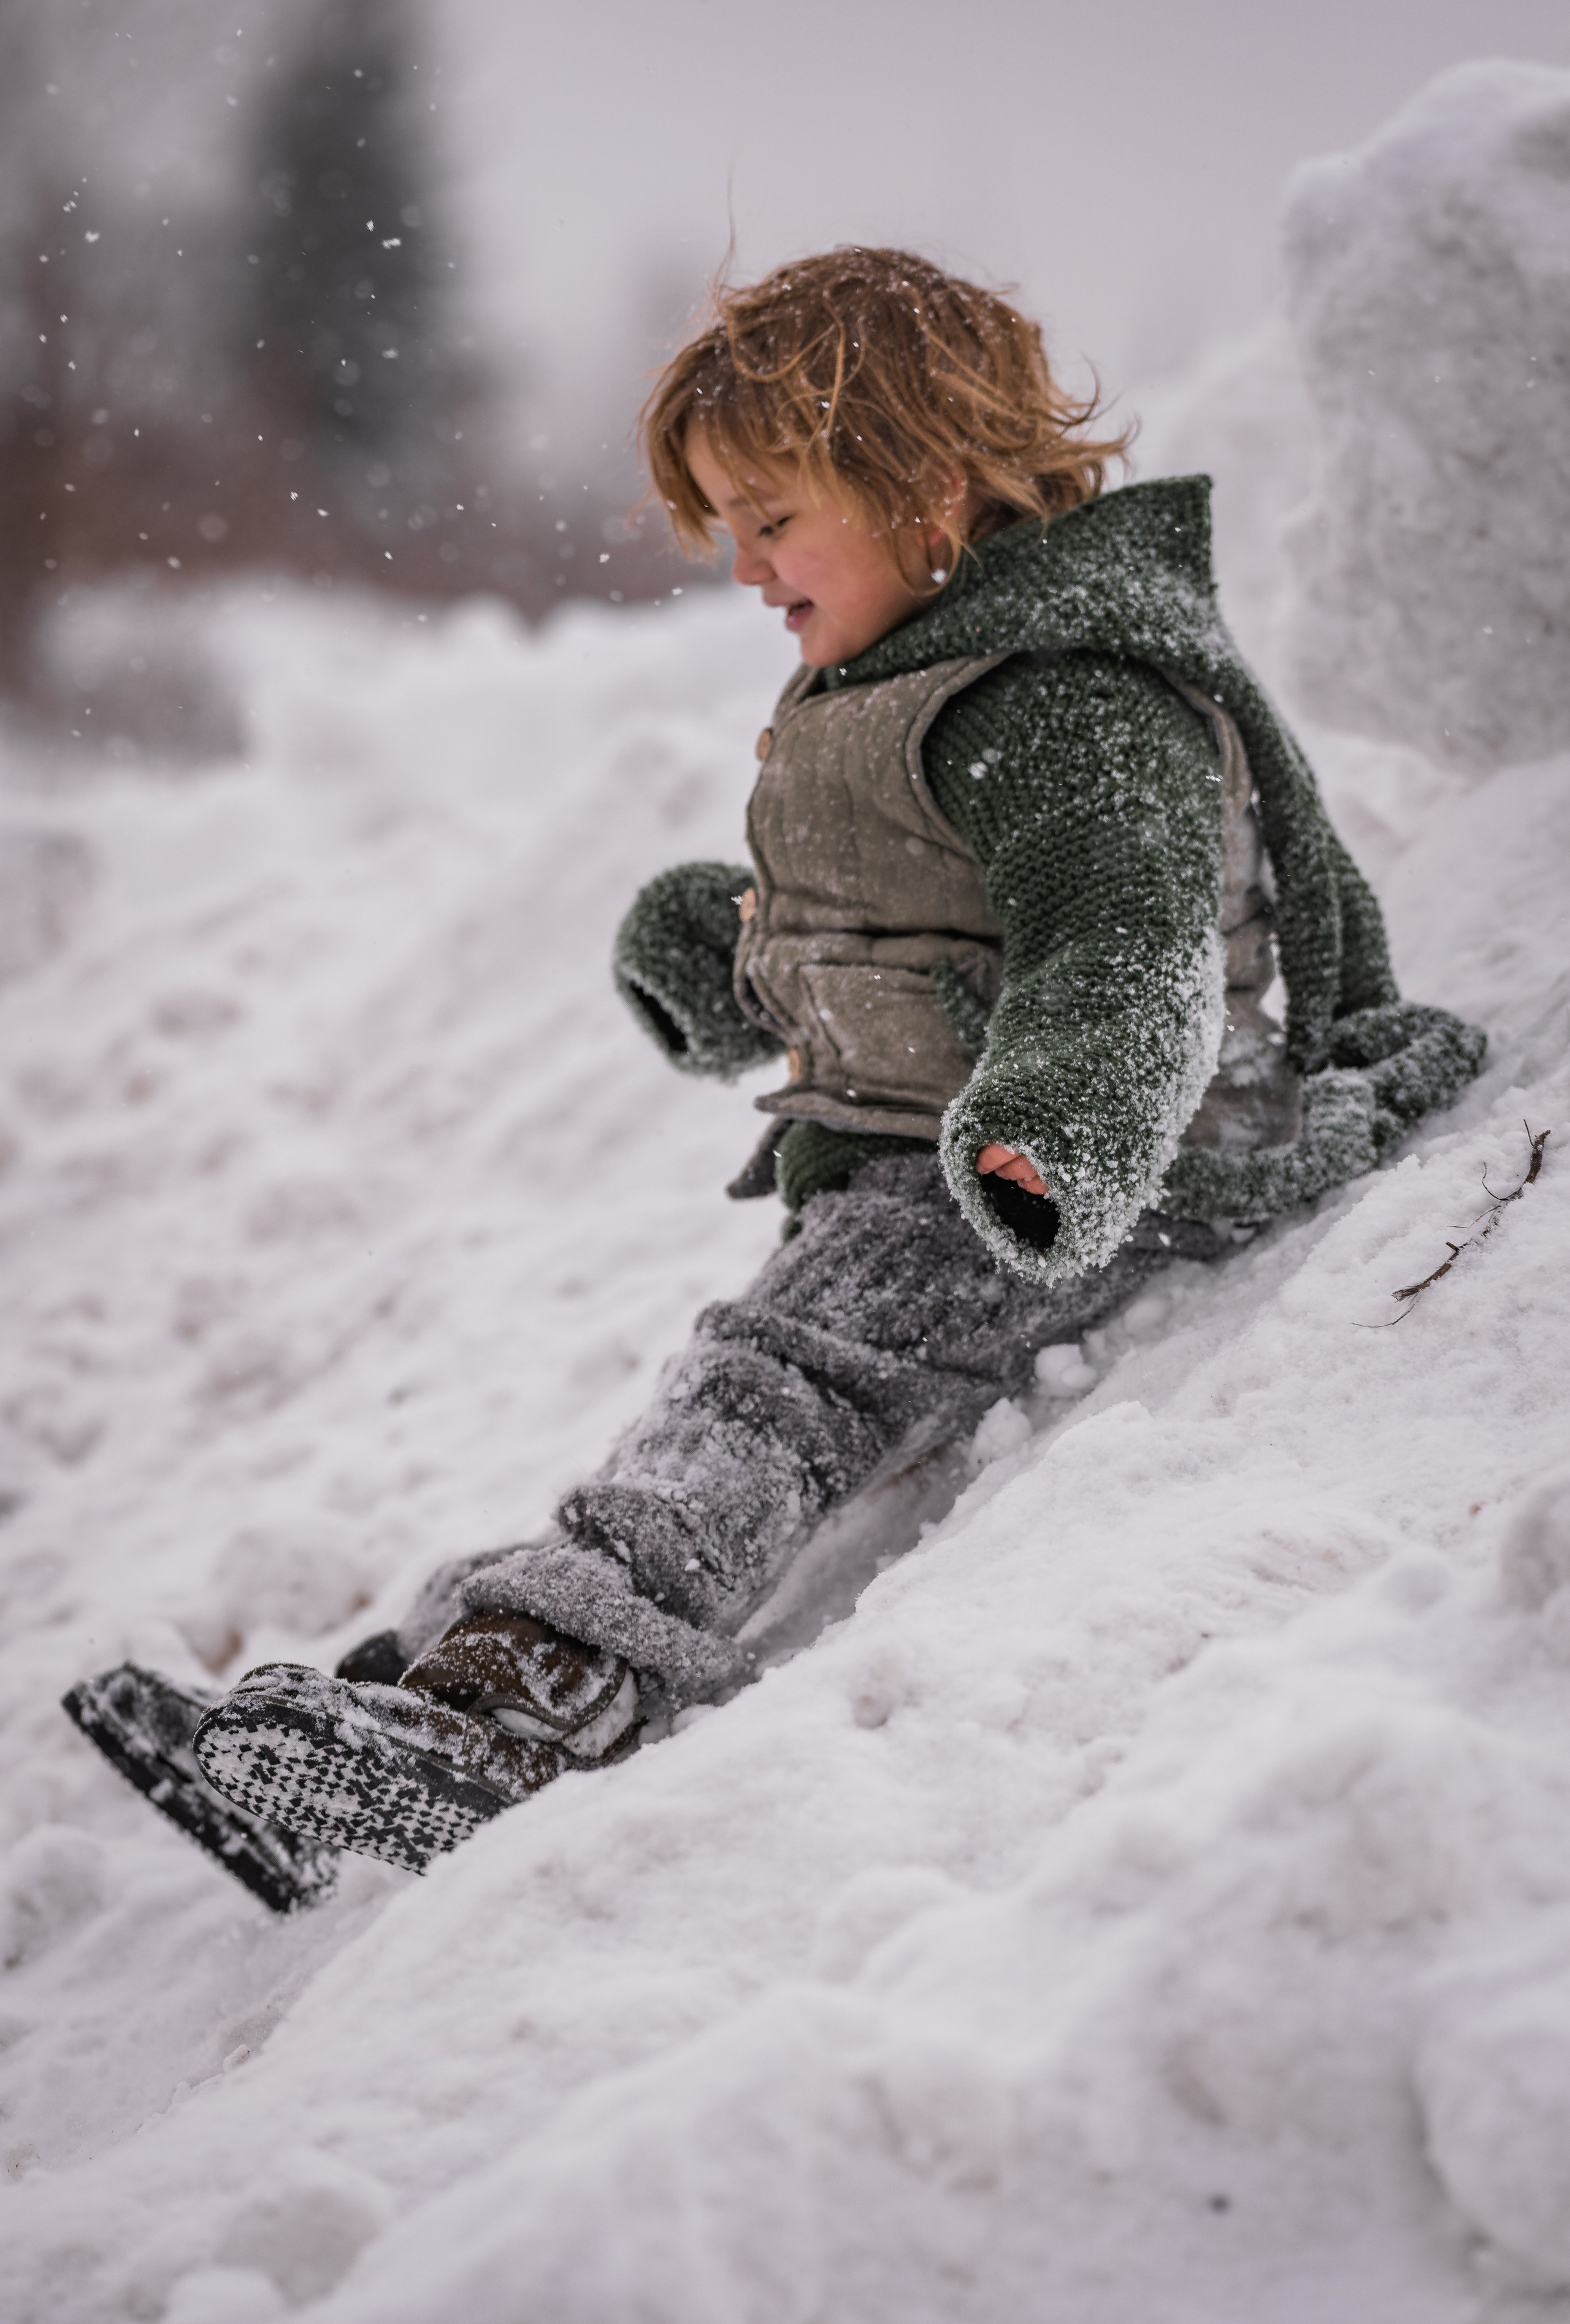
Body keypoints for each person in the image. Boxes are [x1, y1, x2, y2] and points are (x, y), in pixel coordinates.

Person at [64, 248, 1484, 1909]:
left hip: (1070, 1173)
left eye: (772, 518)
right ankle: (450, 1672)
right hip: (934, 1162)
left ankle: (527, 1702)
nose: (742, 567)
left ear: (927, 486)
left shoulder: (1075, 702)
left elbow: (1129, 956)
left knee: (778, 1392)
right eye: (724, 528)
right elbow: (888, 928)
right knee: (745, 1387)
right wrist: (729, 962)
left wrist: (1054, 1144)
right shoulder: (913, 679)